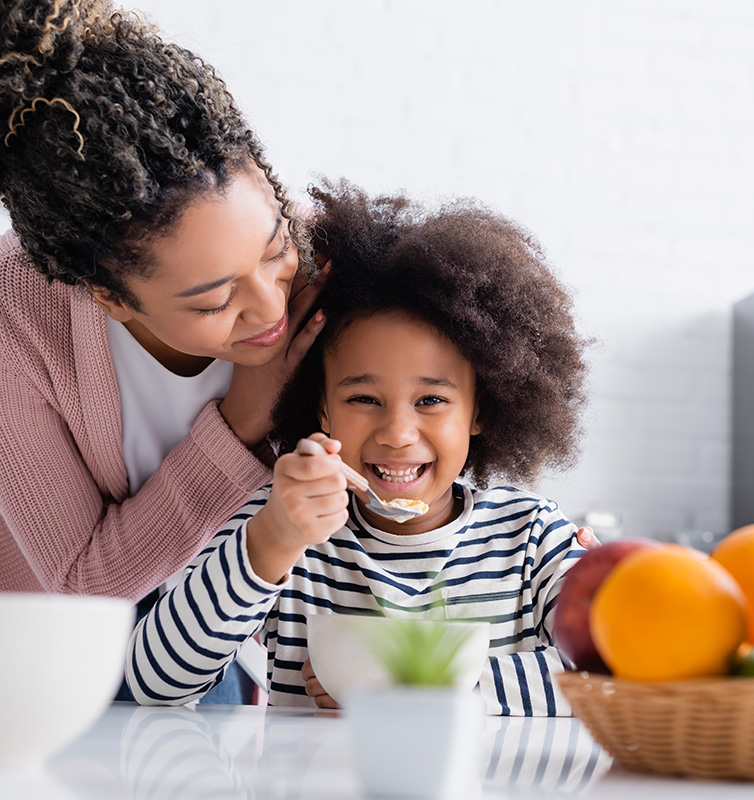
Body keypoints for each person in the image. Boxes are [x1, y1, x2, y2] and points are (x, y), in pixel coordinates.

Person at [126, 180, 595, 716]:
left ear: (480, 411)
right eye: (365, 397)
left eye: (432, 400)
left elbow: (616, 674)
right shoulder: (285, 526)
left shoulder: (531, 536)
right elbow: (154, 682)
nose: (397, 432)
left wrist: (428, 692)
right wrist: (273, 540)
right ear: (321, 408)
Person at [0, 0, 324, 701]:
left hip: (247, 632)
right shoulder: (14, 319)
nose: (271, 309)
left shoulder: (327, 254)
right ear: (107, 297)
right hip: (67, 669)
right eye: (213, 302)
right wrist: (241, 424)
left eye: (276, 250)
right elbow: (82, 583)